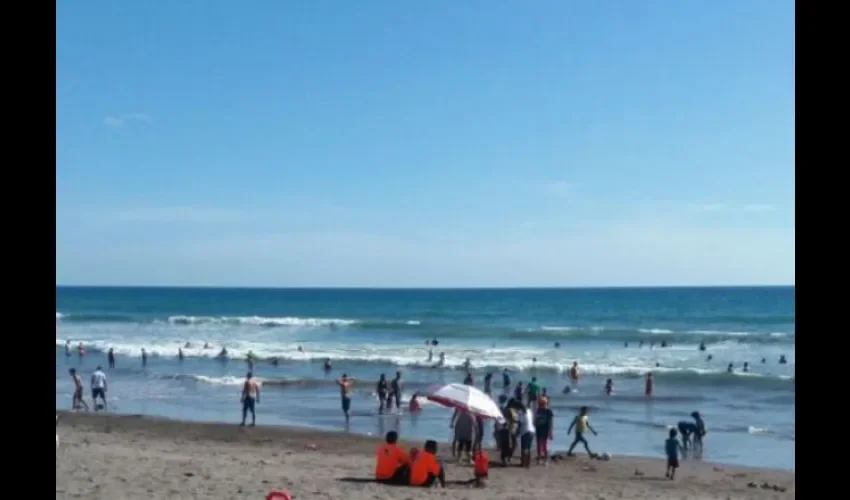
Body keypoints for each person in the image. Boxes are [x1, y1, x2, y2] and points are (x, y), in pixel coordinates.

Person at [534, 397, 554, 464]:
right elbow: (536, 420)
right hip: (538, 429)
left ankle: (545, 460)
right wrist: (534, 424)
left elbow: (550, 422)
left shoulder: (548, 411)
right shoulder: (538, 410)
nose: (540, 405)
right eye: (540, 404)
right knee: (538, 445)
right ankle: (539, 459)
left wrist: (550, 432)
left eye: (542, 404)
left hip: (545, 430)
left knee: (545, 445)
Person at [517, 402, 536, 468]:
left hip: (525, 431)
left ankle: (523, 463)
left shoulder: (520, 412)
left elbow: (520, 423)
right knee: (528, 448)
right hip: (532, 430)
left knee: (524, 448)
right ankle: (528, 463)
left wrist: (517, 432)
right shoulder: (529, 411)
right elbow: (532, 421)